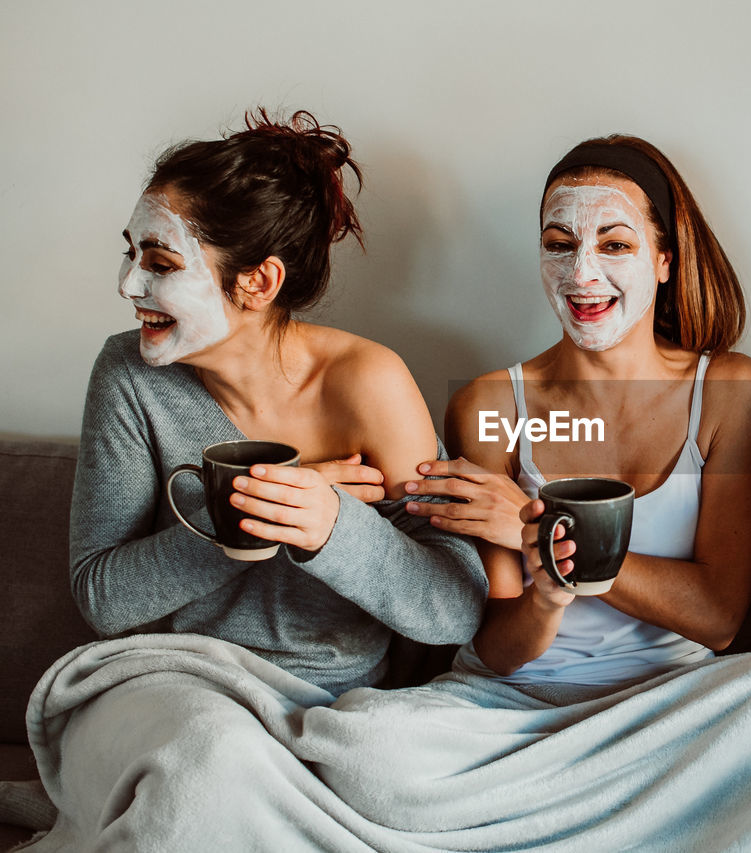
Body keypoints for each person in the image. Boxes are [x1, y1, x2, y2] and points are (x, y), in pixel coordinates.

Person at [70, 109, 487, 695]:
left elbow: (453, 610)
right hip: (173, 684)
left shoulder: (369, 382)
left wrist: (329, 525)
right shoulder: (129, 374)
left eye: (160, 264)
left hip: (333, 703)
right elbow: (102, 597)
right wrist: (247, 519)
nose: (128, 285)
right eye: (131, 254)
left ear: (258, 283)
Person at [404, 134, 751, 693]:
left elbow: (717, 619)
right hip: (516, 697)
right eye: (559, 244)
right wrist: (549, 592)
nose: (581, 274)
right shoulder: (490, 404)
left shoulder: (731, 390)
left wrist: (548, 536)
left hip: (671, 699)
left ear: (664, 260)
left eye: (616, 245)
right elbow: (500, 651)